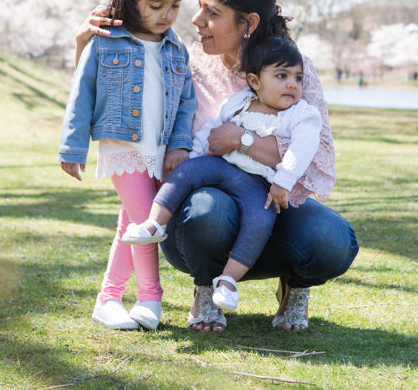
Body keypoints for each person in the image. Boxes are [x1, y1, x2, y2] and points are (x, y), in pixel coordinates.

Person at [76, 0, 358, 333]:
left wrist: (240, 139)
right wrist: (86, 43)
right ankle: (205, 287)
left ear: (249, 23)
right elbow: (115, 89)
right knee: (207, 211)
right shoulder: (184, 62)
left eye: (213, 13)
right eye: (198, 9)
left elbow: (314, 157)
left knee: (332, 239)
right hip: (202, 217)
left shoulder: (292, 69)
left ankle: (295, 286)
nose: (196, 21)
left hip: (273, 205)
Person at [122, 37, 321, 314]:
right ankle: (154, 225)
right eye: (281, 75)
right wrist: (195, 158)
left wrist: (282, 182)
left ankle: (227, 281)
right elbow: (211, 132)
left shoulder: (302, 114)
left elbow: (302, 149)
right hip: (221, 166)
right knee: (187, 172)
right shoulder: (239, 102)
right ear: (254, 81)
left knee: (260, 221)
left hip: (258, 184)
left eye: (298, 78)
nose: (292, 84)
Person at [59, 0, 196, 332]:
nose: (166, 15)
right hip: (123, 146)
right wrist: (72, 146)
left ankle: (108, 298)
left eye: (175, 5)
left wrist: (180, 144)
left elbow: (186, 101)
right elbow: (81, 92)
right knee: (147, 225)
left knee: (132, 223)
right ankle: (150, 297)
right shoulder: (106, 40)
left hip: (159, 146)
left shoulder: (176, 48)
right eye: (156, 5)